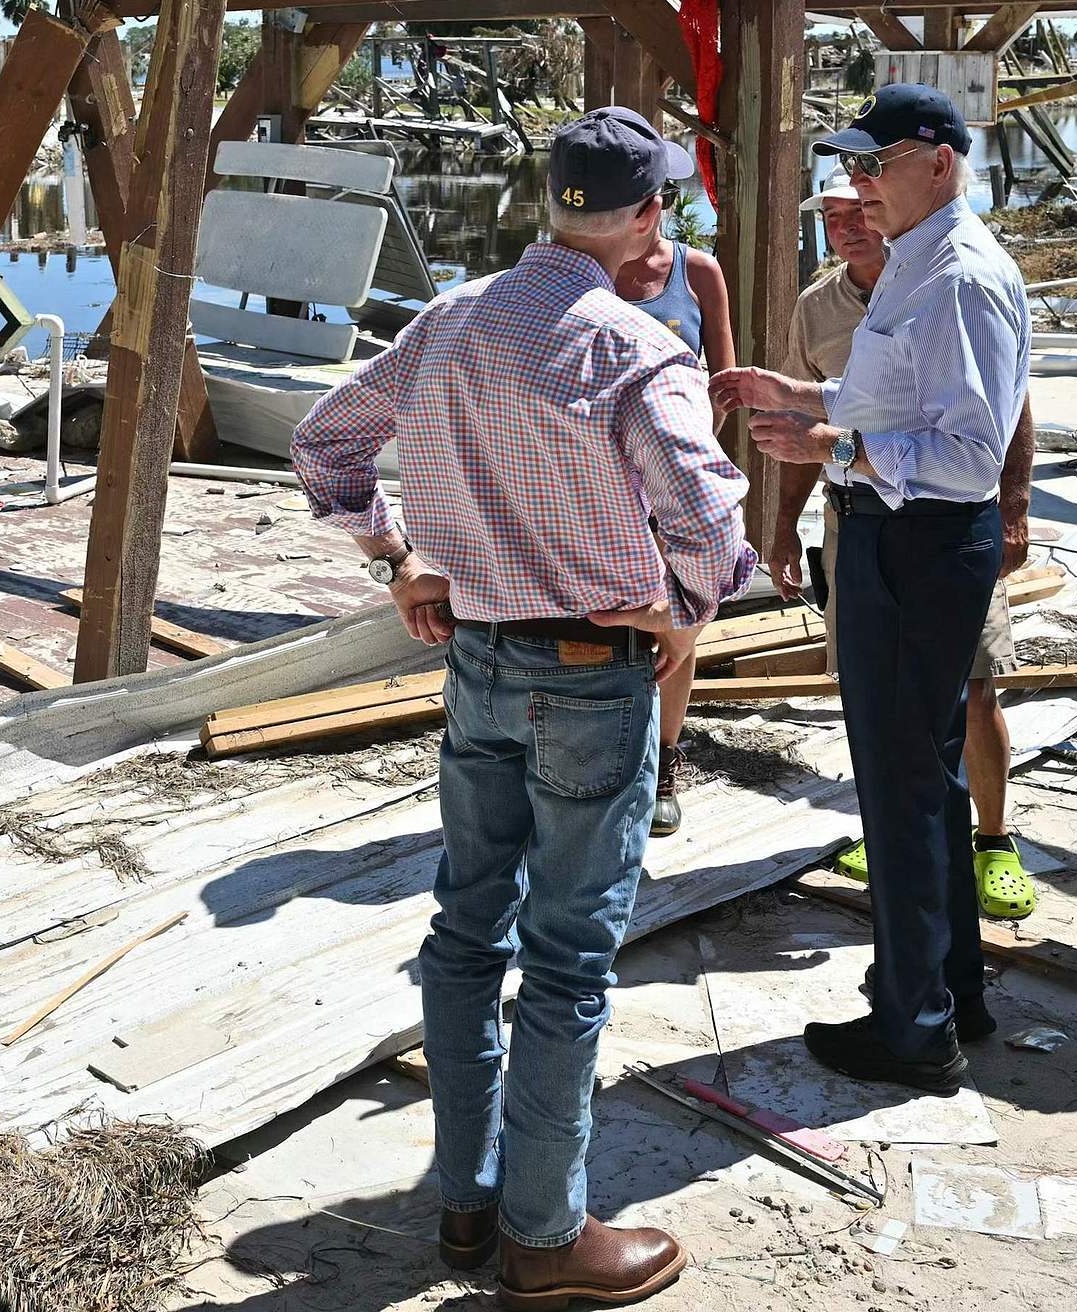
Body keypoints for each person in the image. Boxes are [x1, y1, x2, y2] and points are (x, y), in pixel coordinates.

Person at [293, 106, 755, 1304]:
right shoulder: (631, 346)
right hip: (590, 678)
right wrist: (682, 606)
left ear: (550, 202)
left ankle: (465, 1200)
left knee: (462, 933)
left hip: (479, 665)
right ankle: (544, 1235)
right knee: (564, 959)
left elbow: (323, 442)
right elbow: (712, 531)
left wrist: (397, 559)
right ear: (650, 212)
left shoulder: (446, 319)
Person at [712, 83, 1030, 1095]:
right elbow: (898, 396)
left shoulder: (960, 275)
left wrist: (831, 440)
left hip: (921, 540)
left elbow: (969, 449)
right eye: (851, 165)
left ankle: (913, 1027)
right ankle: (946, 989)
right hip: (900, 537)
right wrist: (799, 394)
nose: (859, 185)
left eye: (875, 164)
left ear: (937, 160)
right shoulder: (916, 261)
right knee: (918, 777)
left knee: (899, 784)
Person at [771, 184, 1041, 921]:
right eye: (829, 216)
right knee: (876, 698)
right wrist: (784, 522)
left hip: (951, 527)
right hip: (861, 526)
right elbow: (808, 424)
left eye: (860, 208)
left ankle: (991, 841)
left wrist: (1014, 507)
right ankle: (895, 834)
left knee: (974, 685)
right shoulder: (816, 309)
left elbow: (1007, 406)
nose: (848, 225)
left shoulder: (948, 283)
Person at [606, 164, 735, 838]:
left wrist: (681, 461)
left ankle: (665, 763)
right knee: (605, 624)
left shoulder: (698, 271)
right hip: (596, 489)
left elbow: (725, 384)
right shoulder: (585, 269)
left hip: (672, 483)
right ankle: (606, 760)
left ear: (660, 205)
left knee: (678, 626)